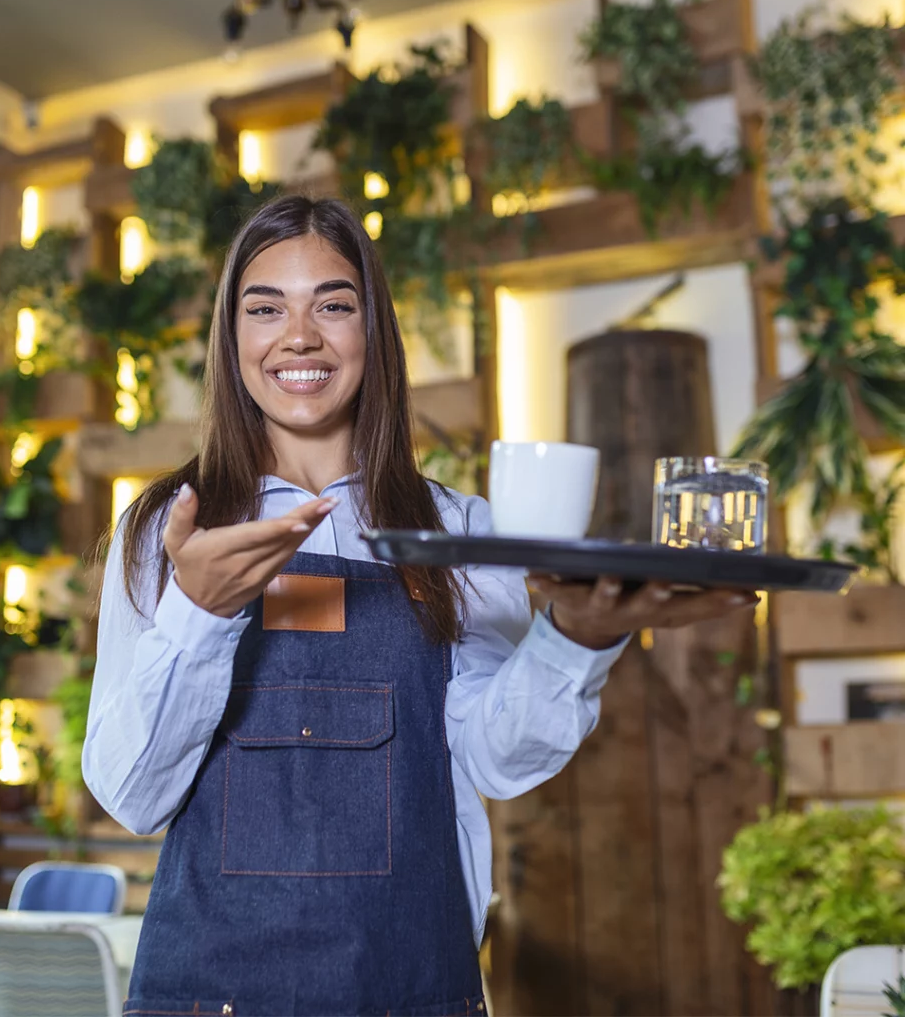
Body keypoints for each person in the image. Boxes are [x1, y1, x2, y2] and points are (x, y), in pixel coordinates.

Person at [83, 195, 756, 1017]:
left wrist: (578, 639)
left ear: (375, 333)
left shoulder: (460, 531)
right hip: (208, 993)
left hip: (413, 989)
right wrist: (200, 612)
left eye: (333, 305)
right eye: (266, 310)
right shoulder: (167, 528)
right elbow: (131, 795)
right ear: (233, 341)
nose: (299, 336)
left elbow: (497, 759)